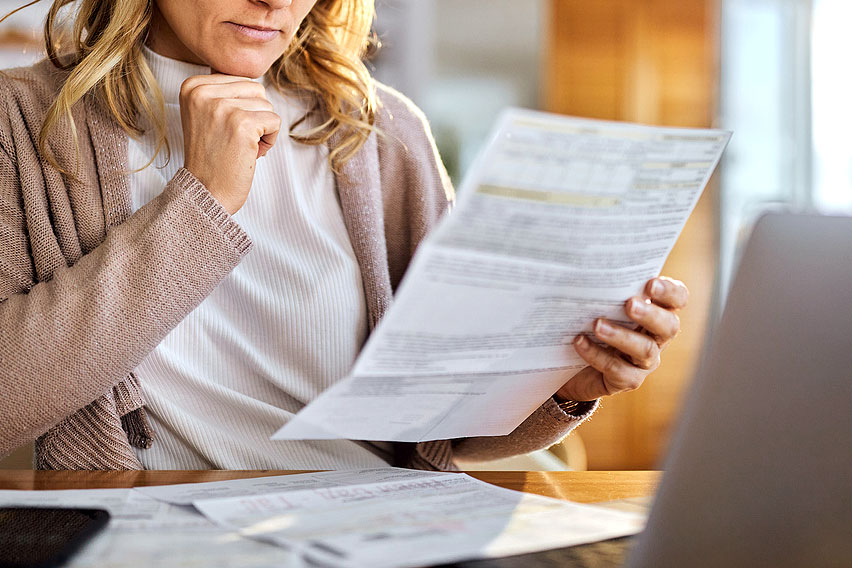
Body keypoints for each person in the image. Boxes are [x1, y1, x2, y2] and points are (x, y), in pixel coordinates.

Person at [0, 0, 689, 470]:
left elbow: (442, 424)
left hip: (377, 528)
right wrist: (201, 203)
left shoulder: (381, 131)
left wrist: (565, 382)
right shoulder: (21, 122)